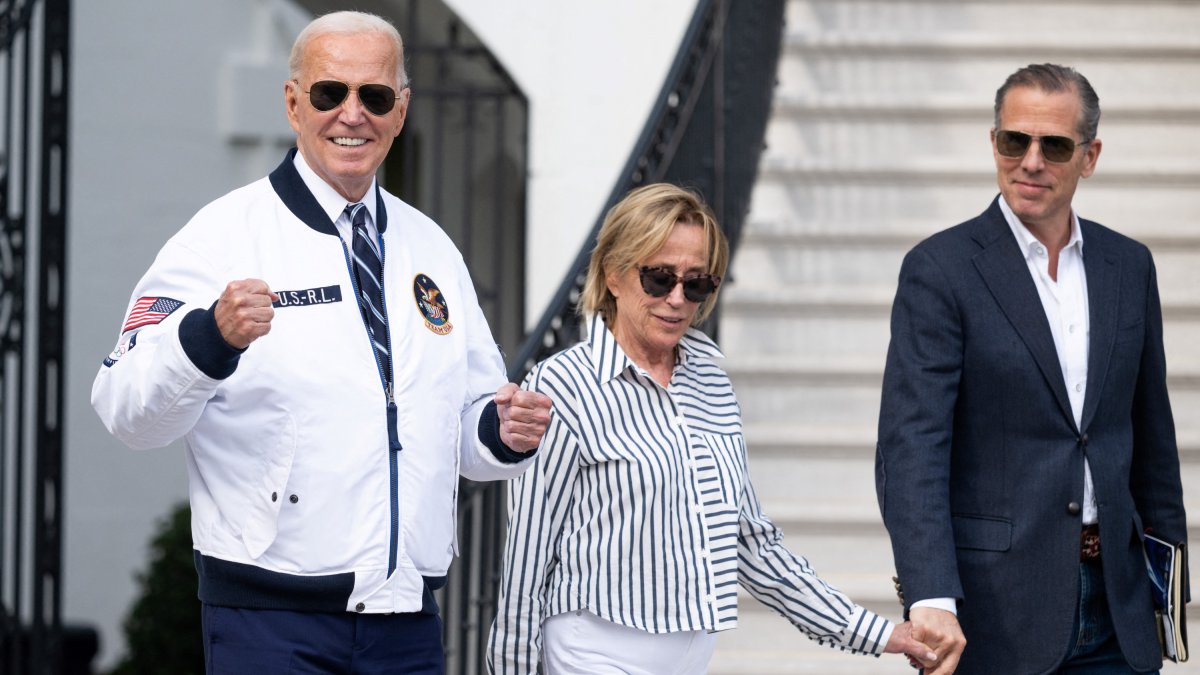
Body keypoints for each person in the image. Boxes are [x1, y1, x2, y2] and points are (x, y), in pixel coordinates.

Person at [91, 11, 551, 674]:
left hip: (407, 623)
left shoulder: (432, 249)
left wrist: (503, 431)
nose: (352, 115)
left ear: (401, 108)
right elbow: (125, 408)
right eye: (331, 93)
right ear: (292, 101)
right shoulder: (220, 238)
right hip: (271, 624)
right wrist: (208, 337)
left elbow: (463, 426)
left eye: (376, 96)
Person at [487, 183, 941, 674]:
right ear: (614, 275)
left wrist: (873, 632)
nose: (678, 299)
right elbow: (528, 555)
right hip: (593, 652)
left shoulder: (711, 382)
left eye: (697, 283)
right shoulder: (563, 384)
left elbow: (750, 543)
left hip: (692, 658)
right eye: (659, 279)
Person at [876, 63, 1188, 674]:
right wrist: (931, 596)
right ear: (994, 143)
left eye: (1055, 145)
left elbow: (1153, 437)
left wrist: (1168, 593)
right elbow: (912, 448)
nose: (1032, 161)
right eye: (1015, 141)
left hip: (1118, 614)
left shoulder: (1129, 266)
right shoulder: (941, 270)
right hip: (995, 614)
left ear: (1089, 156)